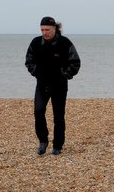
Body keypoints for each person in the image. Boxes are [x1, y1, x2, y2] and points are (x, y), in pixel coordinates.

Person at [25, 17, 81, 156]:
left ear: (54, 28)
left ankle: (58, 146)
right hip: (42, 84)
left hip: (60, 85)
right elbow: (29, 61)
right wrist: (37, 73)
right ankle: (43, 141)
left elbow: (75, 62)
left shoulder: (64, 43)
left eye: (47, 30)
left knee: (58, 116)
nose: (45, 32)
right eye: (42, 30)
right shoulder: (36, 42)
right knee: (38, 111)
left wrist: (65, 75)